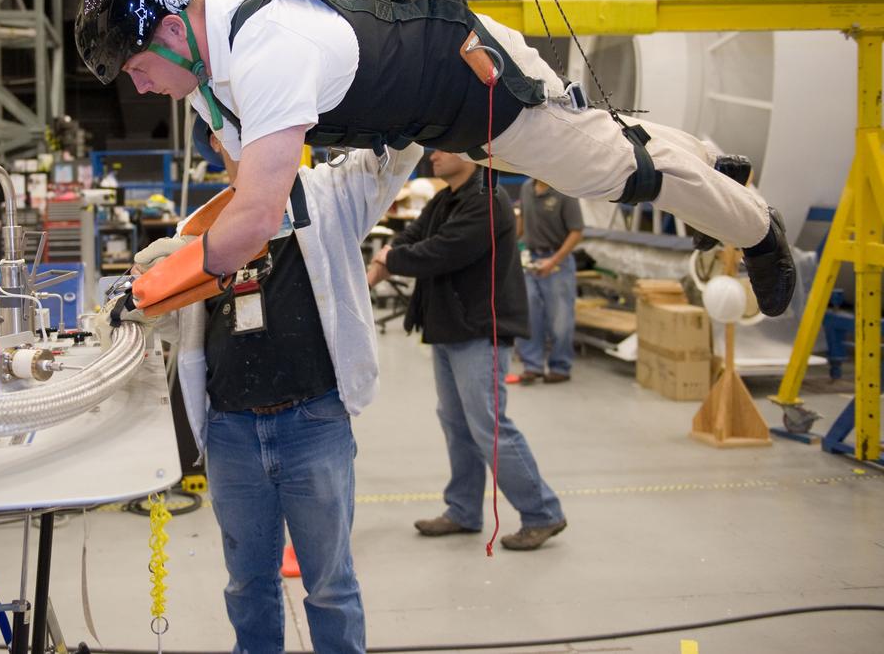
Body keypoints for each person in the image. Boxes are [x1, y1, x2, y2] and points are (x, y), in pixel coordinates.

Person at [75, 0, 795, 320]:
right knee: (599, 142)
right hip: (440, 114)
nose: (139, 88)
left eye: (136, 68)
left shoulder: (264, 51)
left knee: (613, 172)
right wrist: (184, 249)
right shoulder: (206, 80)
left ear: (172, 31)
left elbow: (256, 220)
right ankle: (712, 169)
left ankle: (758, 226)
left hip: (476, 84)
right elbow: (249, 193)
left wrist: (150, 286)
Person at [131, 117, 422, 653]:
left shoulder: (329, 195)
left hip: (313, 422)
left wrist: (363, 105)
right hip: (230, 432)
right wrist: (145, 297)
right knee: (248, 585)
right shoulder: (199, 227)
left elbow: (398, 155)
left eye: (259, 121)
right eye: (230, 130)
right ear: (215, 143)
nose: (244, 139)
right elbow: (181, 324)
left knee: (331, 585)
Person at [367, 151, 566, 551]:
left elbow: (444, 250)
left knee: (489, 427)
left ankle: (542, 512)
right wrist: (390, 254)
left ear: (469, 153)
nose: (432, 155)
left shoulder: (487, 202)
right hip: (448, 327)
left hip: (479, 329)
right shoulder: (446, 199)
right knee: (457, 424)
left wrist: (390, 259)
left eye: (442, 147)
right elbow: (412, 237)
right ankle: (463, 509)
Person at [515, 179, 585, 384]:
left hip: (557, 262)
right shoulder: (526, 188)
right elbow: (522, 222)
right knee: (529, 313)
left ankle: (560, 366)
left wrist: (554, 260)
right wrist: (510, 243)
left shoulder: (565, 189)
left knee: (560, 318)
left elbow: (576, 231)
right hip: (530, 260)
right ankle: (532, 365)